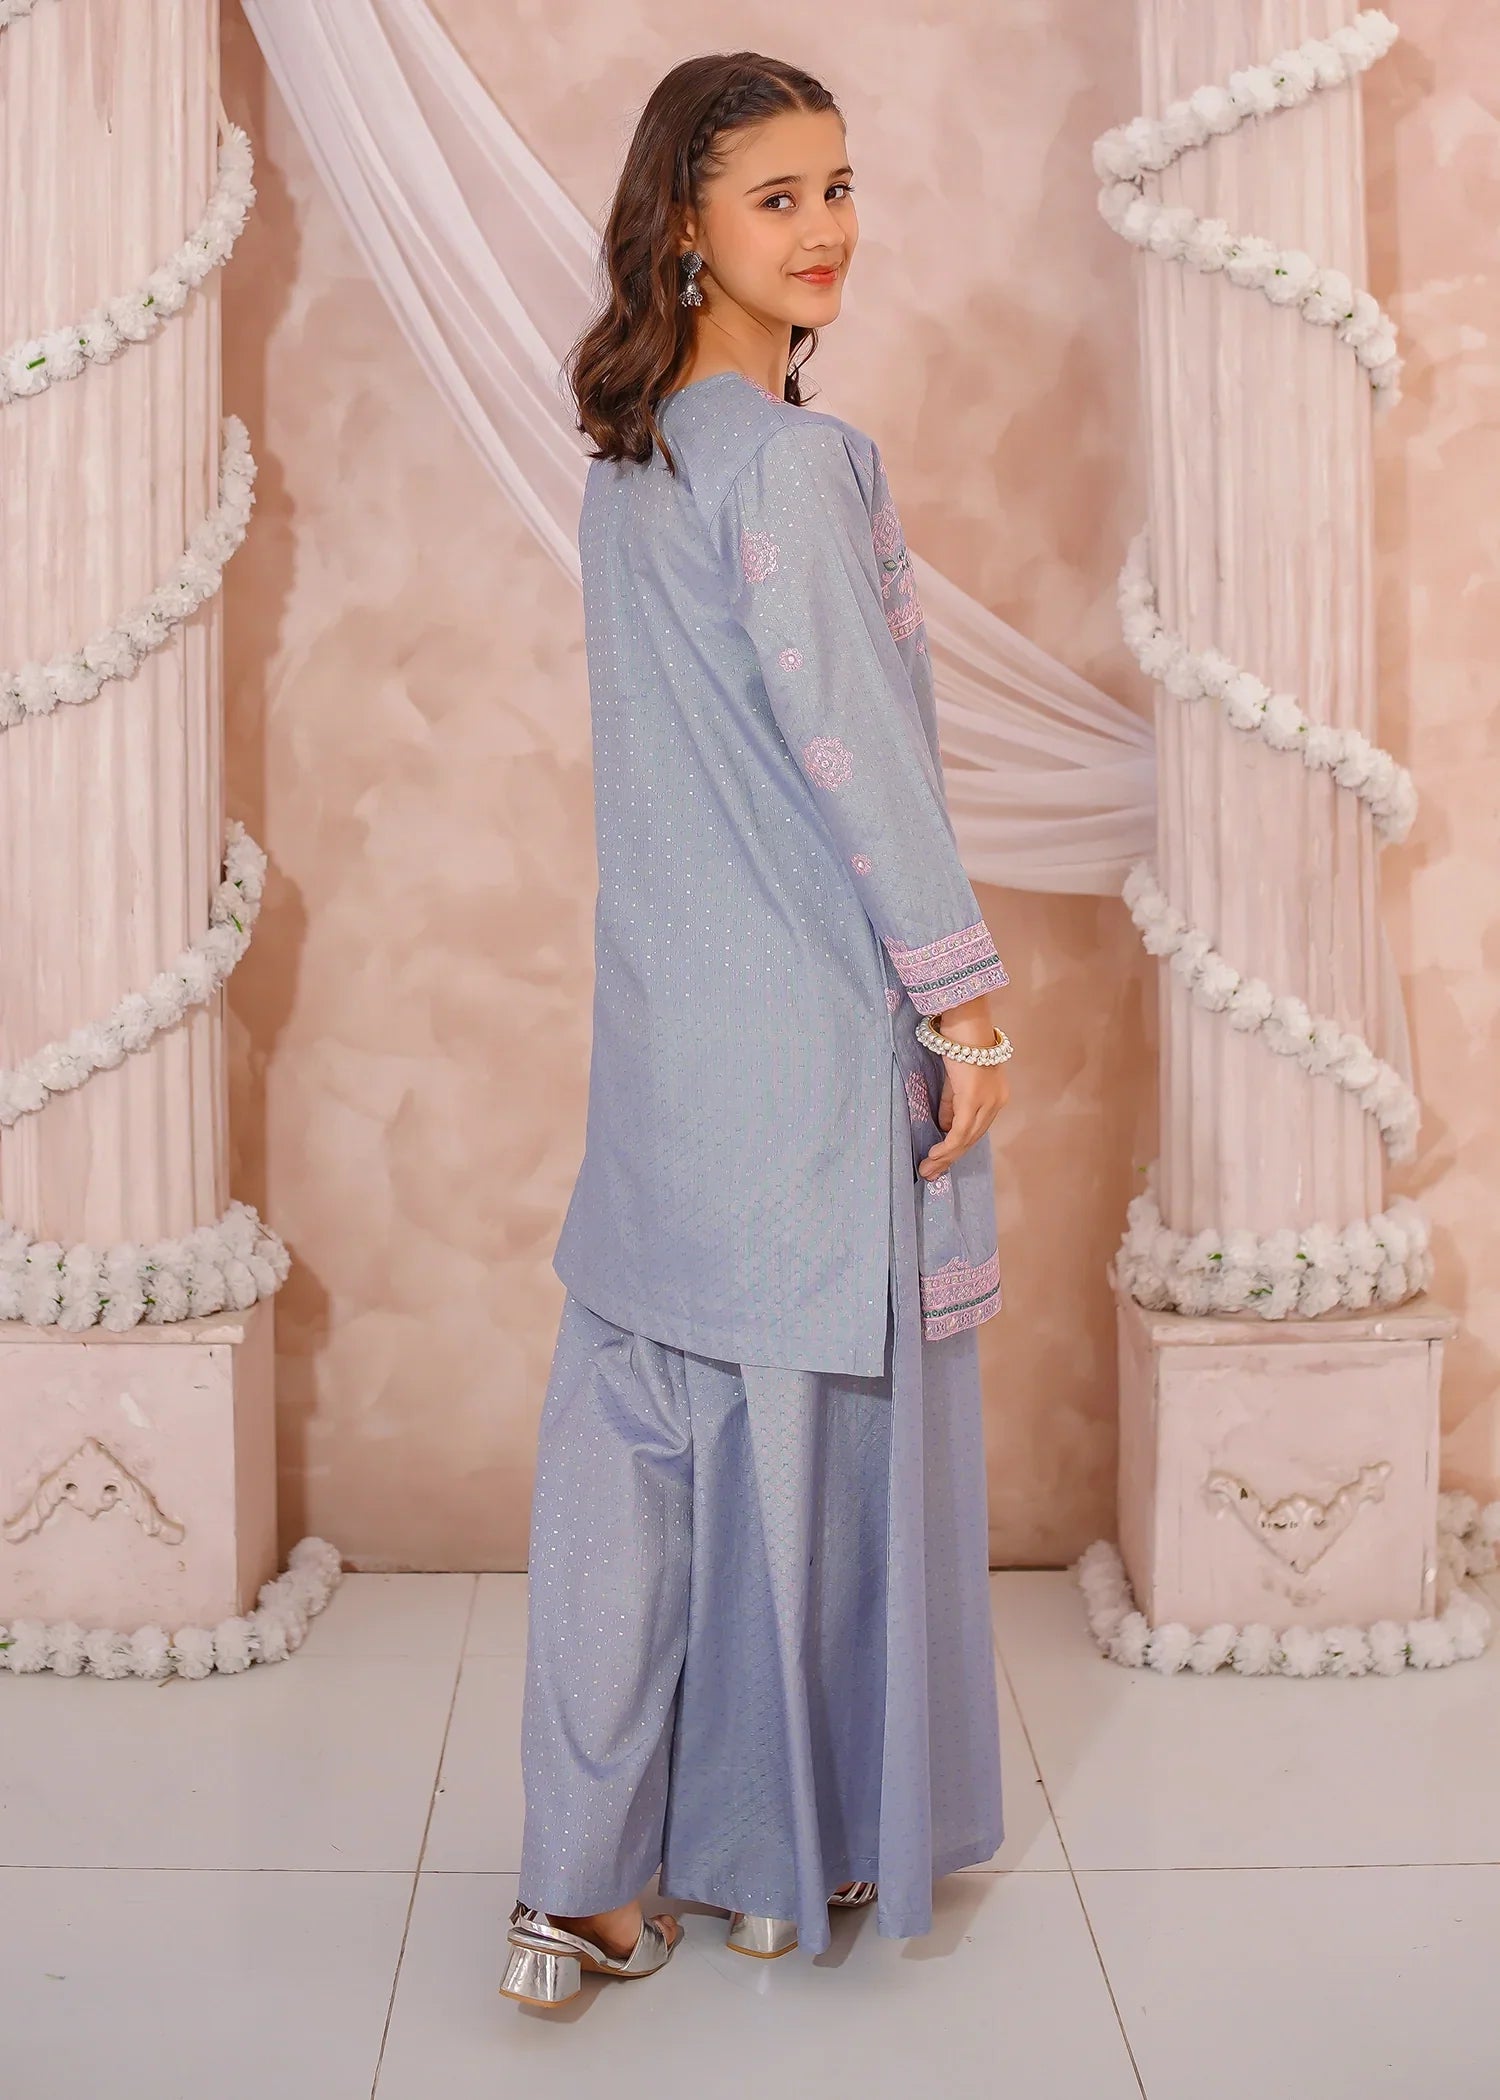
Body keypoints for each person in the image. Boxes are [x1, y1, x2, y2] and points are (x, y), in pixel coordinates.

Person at [500, 49, 1012, 2010]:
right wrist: (965, 1004)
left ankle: (576, 1892)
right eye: (779, 196)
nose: (827, 230)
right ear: (686, 225)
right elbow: (857, 758)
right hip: (797, 1040)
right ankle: (776, 1870)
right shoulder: (798, 466)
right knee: (792, 1463)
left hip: (661, 1041)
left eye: (840, 187)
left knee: (632, 1459)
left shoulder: (630, 465)